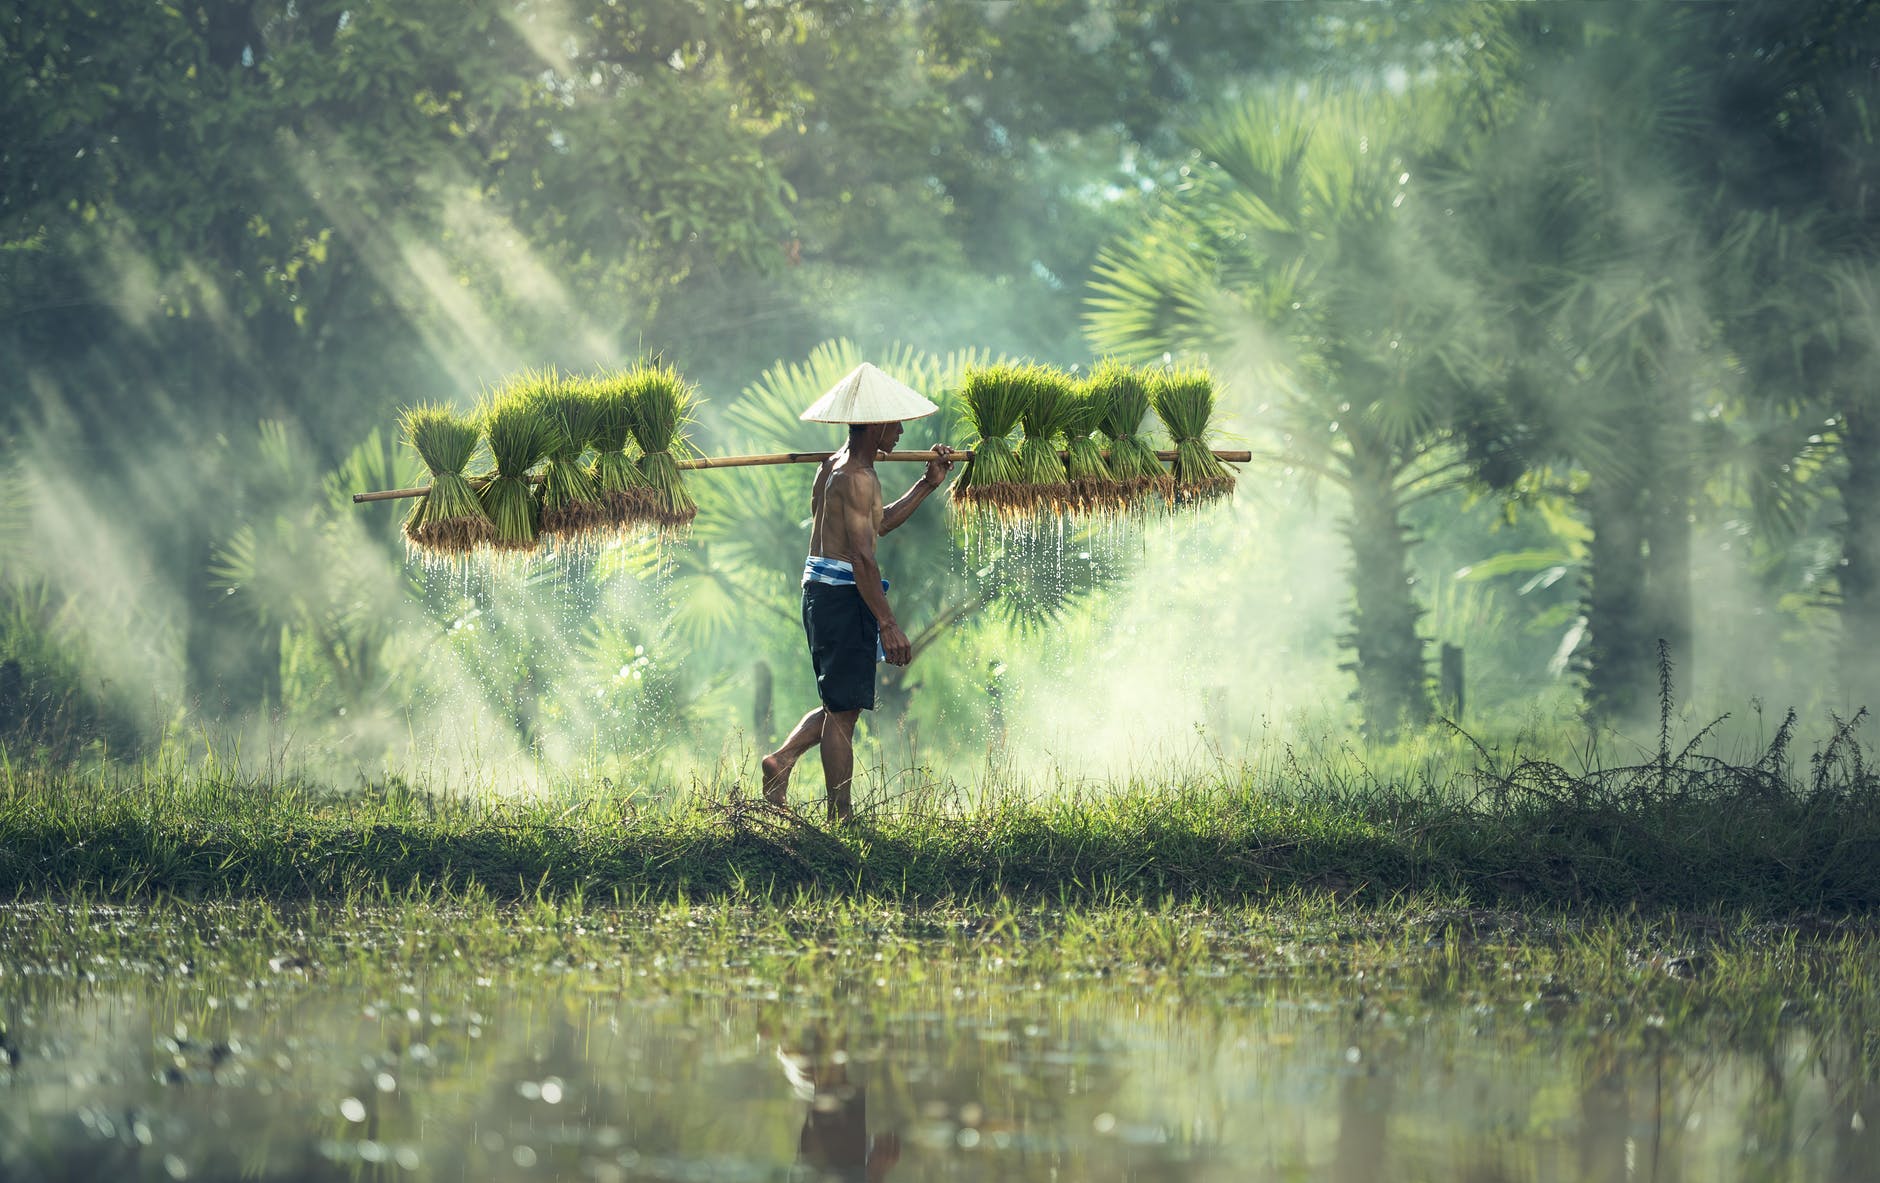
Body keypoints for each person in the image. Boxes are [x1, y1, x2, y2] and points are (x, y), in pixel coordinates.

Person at [760, 363, 956, 824]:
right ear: (873, 425)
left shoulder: (836, 466)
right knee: (845, 714)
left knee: (838, 702)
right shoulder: (858, 477)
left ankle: (781, 762)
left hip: (821, 590)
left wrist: (927, 484)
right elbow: (864, 559)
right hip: (841, 595)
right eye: (894, 422)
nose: (902, 431)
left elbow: (878, 523)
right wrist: (888, 623)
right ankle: (841, 818)